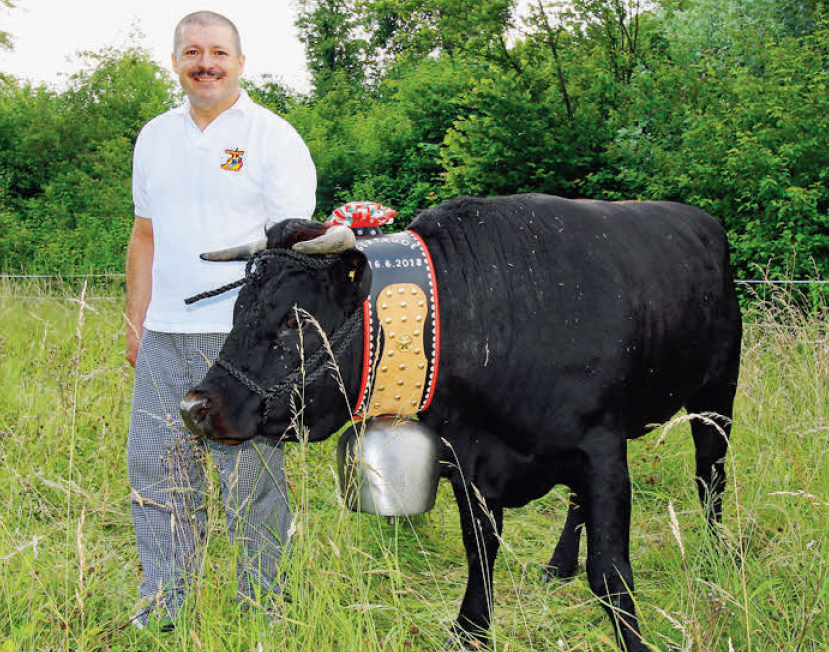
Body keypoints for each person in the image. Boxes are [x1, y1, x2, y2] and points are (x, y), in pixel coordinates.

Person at [124, 10, 316, 629]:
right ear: (176, 60)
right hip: (163, 334)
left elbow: (291, 252)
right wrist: (136, 322)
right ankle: (164, 601)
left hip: (238, 342)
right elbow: (144, 235)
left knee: (250, 477)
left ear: (240, 62)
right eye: (191, 52)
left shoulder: (273, 137)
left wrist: (272, 342)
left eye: (217, 53)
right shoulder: (154, 135)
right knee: (156, 467)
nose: (204, 63)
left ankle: (265, 605)